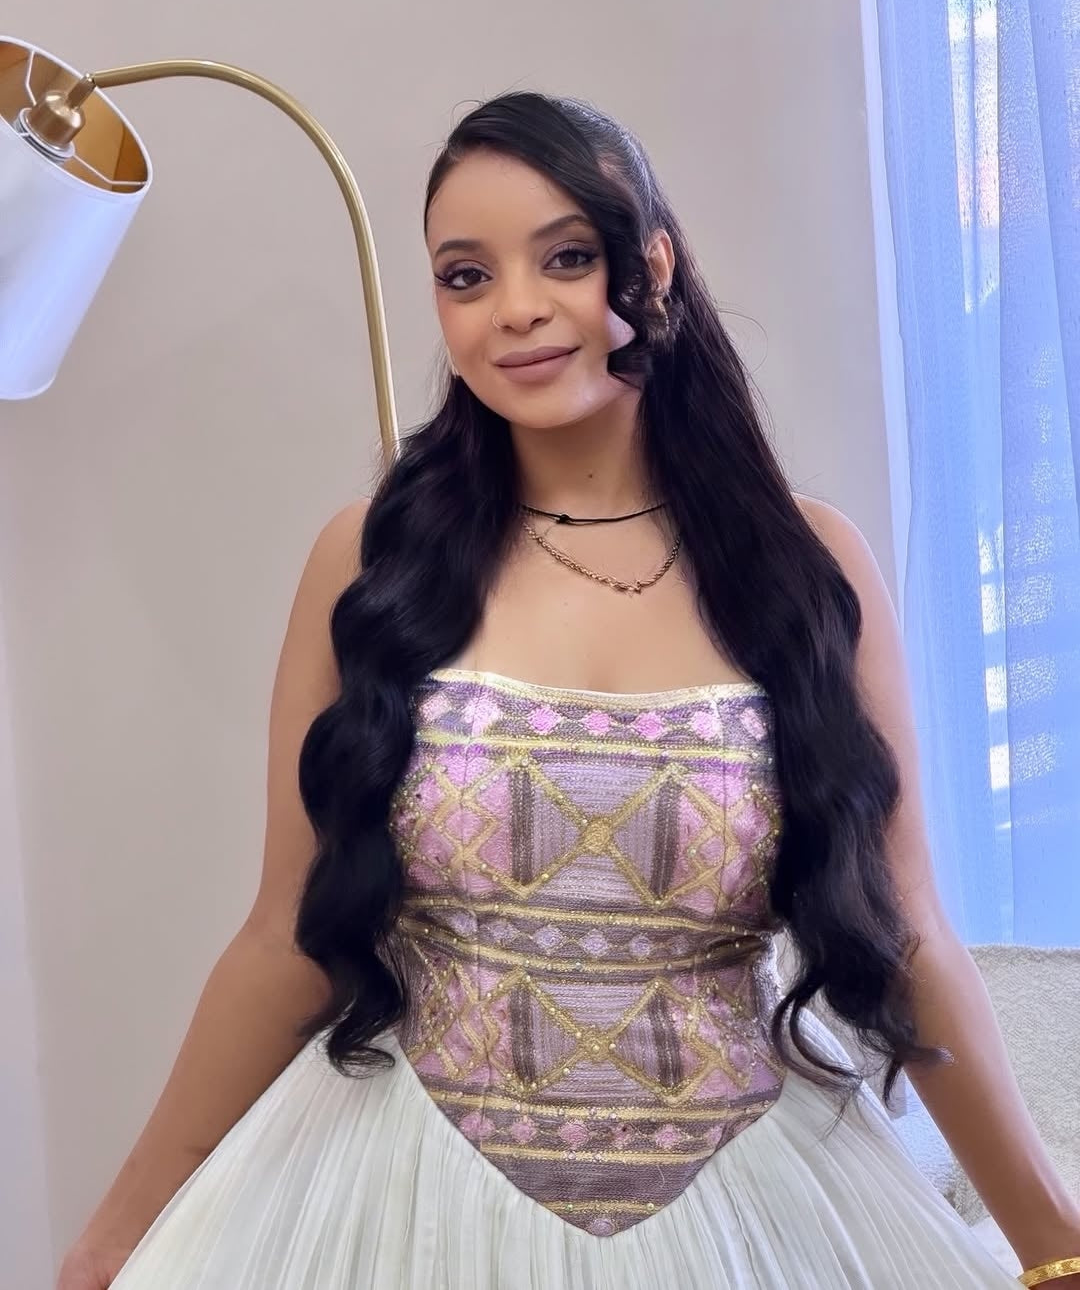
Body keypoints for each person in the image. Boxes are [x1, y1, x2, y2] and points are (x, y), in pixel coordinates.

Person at [58, 93, 1080, 1290]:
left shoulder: (809, 567)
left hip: (754, 1203)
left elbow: (905, 933)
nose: (518, 311)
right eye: (465, 275)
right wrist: (110, 1242)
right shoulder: (369, 560)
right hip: (405, 1201)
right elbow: (287, 937)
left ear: (655, 264)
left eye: (567, 257)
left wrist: (1056, 1246)